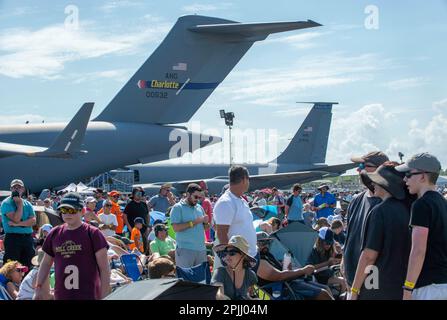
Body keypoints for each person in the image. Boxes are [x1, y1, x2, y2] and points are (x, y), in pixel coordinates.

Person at [349, 163, 411, 300]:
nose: (372, 183)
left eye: (376, 180)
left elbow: (369, 256)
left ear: (386, 185)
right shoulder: (410, 208)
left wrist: (354, 290)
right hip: (402, 285)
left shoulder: (380, 211)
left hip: (377, 286)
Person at [34, 192, 110, 300]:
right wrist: (38, 288)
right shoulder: (54, 233)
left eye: (72, 210)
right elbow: (45, 264)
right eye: (64, 210)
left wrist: (104, 296)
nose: (67, 214)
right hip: (62, 296)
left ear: (82, 211)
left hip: (88, 296)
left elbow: (104, 269)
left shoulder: (92, 233)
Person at [395, 153, 447, 300]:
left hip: (428, 287)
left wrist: (407, 288)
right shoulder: (443, 202)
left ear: (423, 176)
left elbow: (418, 250)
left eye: (408, 174)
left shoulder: (421, 205)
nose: (405, 179)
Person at [342, 151, 389, 291]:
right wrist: (344, 261)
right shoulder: (356, 200)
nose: (359, 169)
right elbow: (349, 236)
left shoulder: (388, 204)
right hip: (351, 276)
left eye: (364, 165)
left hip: (374, 280)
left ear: (381, 170)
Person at [255, 232, 333, 300]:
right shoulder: (259, 261)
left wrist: (287, 267)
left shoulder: (267, 255)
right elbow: (279, 276)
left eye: (267, 242)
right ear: (255, 244)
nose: (266, 245)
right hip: (282, 289)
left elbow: (281, 272)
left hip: (289, 283)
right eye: (262, 243)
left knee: (325, 288)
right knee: (323, 294)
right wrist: (303, 270)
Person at [213, 166, 258, 269]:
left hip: (248, 257)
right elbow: (222, 233)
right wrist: (230, 260)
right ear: (244, 180)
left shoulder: (241, 200)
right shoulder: (226, 202)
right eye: (248, 179)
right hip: (237, 262)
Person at [1, 179, 36, 269]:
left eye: (19, 187)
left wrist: (17, 225)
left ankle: (25, 283)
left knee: (28, 265)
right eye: (14, 187)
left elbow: (33, 221)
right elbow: (16, 218)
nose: (16, 189)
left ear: (23, 189)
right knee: (12, 267)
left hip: (27, 238)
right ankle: (10, 283)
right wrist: (19, 204)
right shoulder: (6, 203)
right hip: (13, 238)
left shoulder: (28, 204)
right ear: (11, 189)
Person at [171, 183, 208, 268]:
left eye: (199, 198)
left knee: (201, 280)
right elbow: (176, 228)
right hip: (185, 250)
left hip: (201, 249)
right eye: (195, 197)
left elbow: (206, 228)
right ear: (188, 194)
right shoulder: (177, 207)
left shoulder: (199, 207)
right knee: (185, 280)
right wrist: (195, 222)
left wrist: (206, 222)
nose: (197, 200)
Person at [212, 235, 258, 300]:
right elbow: (218, 294)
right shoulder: (220, 272)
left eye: (232, 253)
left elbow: (248, 295)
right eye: (225, 253)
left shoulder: (250, 275)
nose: (227, 256)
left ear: (243, 255)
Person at [307, 227, 346, 293]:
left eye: (330, 243)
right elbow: (310, 268)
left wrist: (339, 254)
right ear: (320, 241)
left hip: (328, 275)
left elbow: (333, 261)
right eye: (327, 243)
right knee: (341, 282)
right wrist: (327, 263)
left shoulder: (330, 249)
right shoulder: (313, 251)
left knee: (344, 282)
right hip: (317, 277)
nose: (329, 245)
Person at [123, 187, 150, 252]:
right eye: (137, 193)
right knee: (134, 249)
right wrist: (130, 228)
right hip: (133, 231)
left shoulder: (144, 204)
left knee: (144, 248)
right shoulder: (129, 204)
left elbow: (147, 215)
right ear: (133, 194)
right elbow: (124, 216)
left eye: (140, 193)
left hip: (143, 231)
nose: (139, 195)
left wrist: (147, 227)